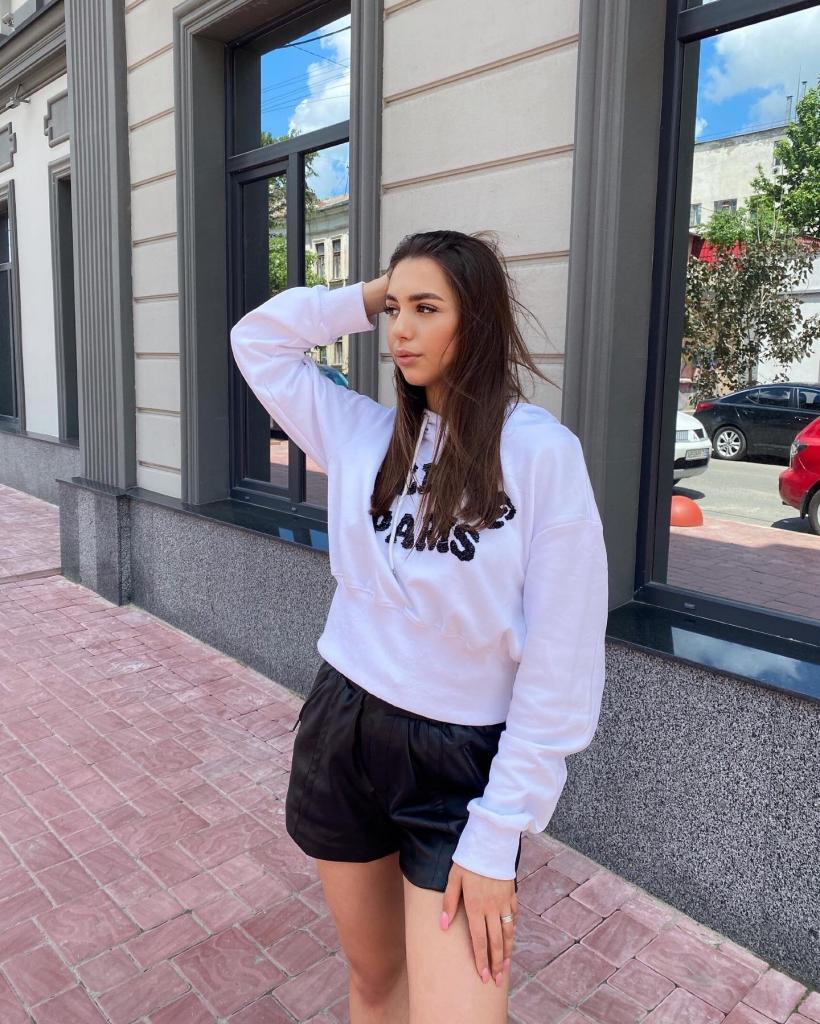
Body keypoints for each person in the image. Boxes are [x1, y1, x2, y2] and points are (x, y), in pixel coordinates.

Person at [229, 229, 609, 1024]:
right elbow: (256, 340)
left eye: (426, 308)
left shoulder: (540, 454)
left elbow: (563, 659)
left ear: (479, 320)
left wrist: (499, 831)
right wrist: (367, 294)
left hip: (458, 764)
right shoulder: (363, 432)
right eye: (394, 309)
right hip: (344, 725)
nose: (400, 329)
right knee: (374, 983)